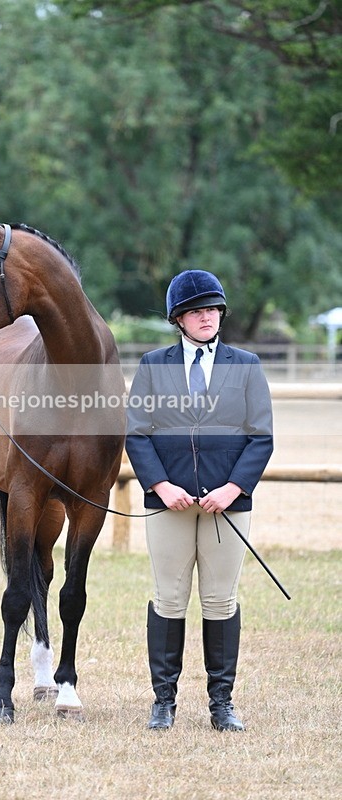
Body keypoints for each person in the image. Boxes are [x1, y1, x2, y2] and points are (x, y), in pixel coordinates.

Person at [125, 269, 273, 732]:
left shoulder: (246, 365)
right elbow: (137, 433)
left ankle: (221, 703)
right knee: (169, 599)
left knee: (220, 601)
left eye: (212, 309)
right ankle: (163, 701)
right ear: (179, 319)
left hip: (226, 505)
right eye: (196, 310)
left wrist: (234, 488)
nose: (206, 316)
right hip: (168, 503)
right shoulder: (153, 365)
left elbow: (261, 437)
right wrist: (162, 485)